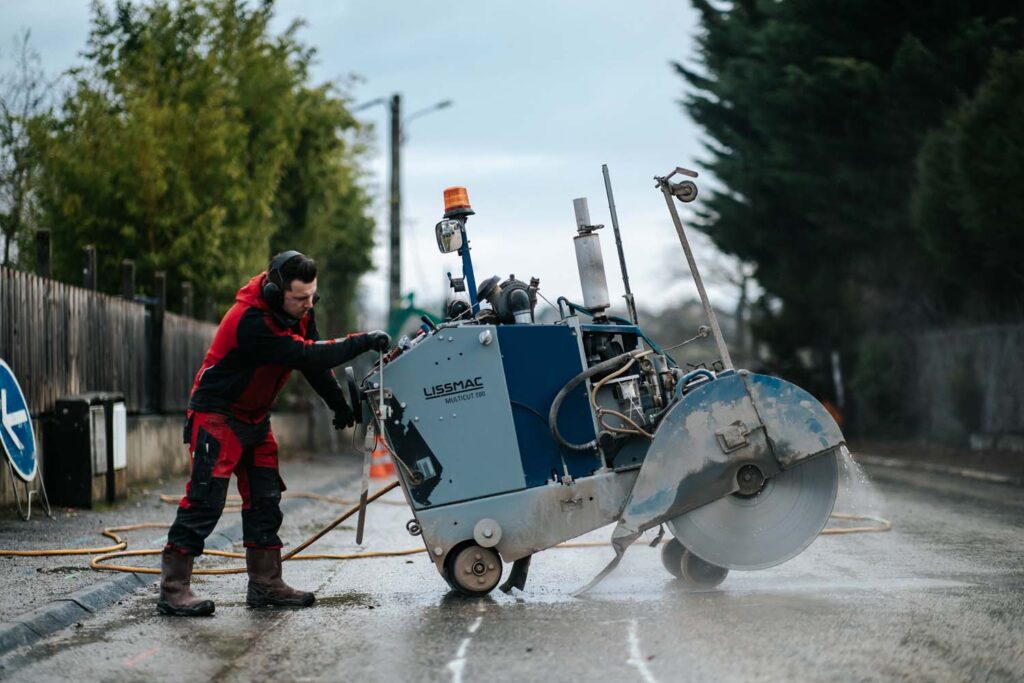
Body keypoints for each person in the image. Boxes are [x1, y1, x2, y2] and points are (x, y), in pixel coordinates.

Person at [157, 250, 389, 617]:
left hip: (254, 418)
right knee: (206, 501)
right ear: (273, 292)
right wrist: (362, 340)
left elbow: (314, 365)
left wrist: (338, 405)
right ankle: (173, 588)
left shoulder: (301, 312)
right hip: (217, 413)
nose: (307, 305)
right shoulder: (250, 320)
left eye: (312, 296)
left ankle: (265, 584)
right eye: (299, 298)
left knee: (266, 498)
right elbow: (306, 356)